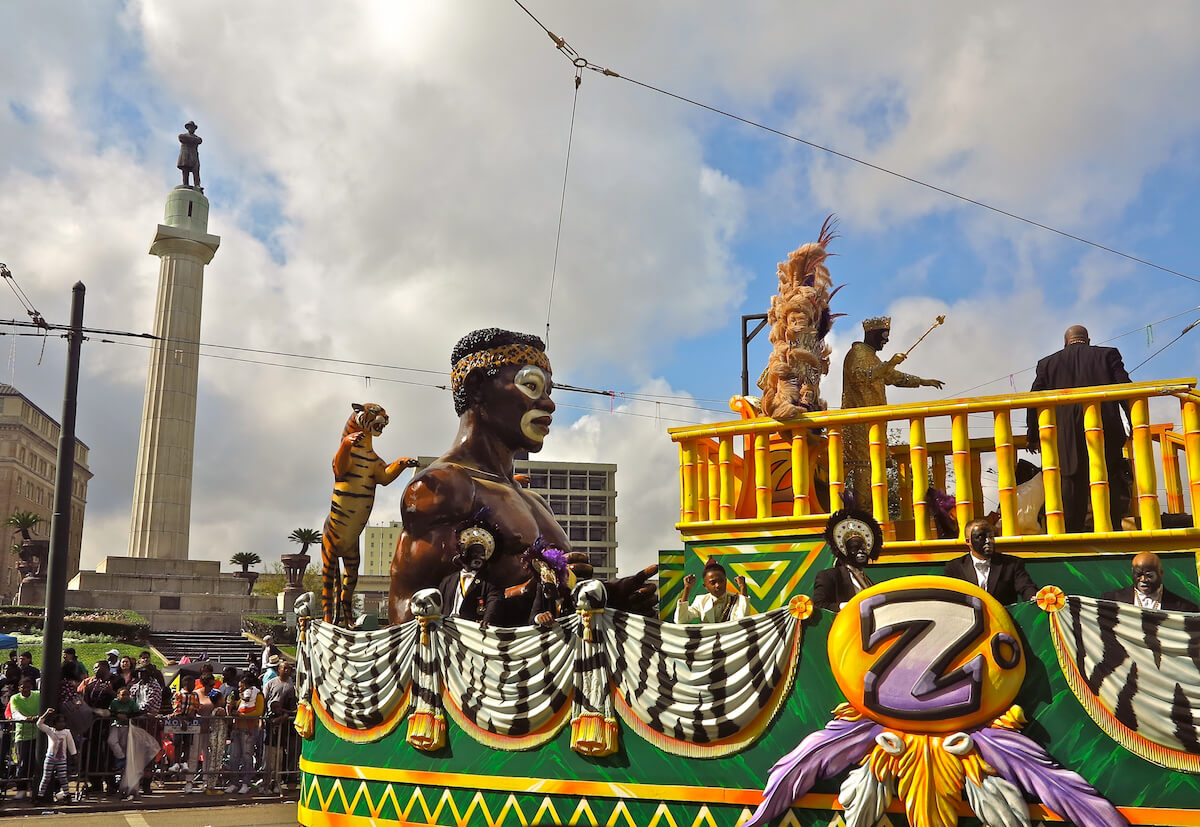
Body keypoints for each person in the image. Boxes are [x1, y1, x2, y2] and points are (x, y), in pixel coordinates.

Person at [388, 328, 657, 625]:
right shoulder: (442, 488)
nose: (549, 404)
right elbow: (408, 604)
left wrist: (606, 596)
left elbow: (555, 598)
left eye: (548, 392)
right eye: (531, 386)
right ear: (477, 387)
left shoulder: (534, 501)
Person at [1026, 325, 1132, 533]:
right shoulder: (1107, 355)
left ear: (1065, 342)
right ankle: (1112, 533)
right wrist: (1134, 422)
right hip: (1105, 433)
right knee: (1109, 480)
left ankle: (1071, 536)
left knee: (1070, 487)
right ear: (1088, 340)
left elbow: (1033, 400)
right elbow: (1126, 389)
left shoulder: (1048, 364)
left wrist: (1033, 435)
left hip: (1065, 438)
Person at [841, 316, 944, 509]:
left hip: (874, 424)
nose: (886, 340)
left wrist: (922, 381)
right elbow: (861, 377)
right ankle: (864, 514)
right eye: (884, 335)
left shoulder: (871, 356)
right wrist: (890, 363)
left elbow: (891, 377)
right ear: (871, 334)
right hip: (859, 423)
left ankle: (873, 511)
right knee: (864, 466)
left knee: (874, 468)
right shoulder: (857, 353)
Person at [943, 518, 1038, 604]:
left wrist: (1034, 597)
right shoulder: (954, 567)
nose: (989, 541)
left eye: (991, 536)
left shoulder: (1011, 564)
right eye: (981, 537)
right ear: (968, 541)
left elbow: (1026, 587)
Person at [813, 508, 882, 612]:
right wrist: (844, 607)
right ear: (845, 550)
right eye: (855, 547)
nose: (861, 552)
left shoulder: (866, 580)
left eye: (864, 548)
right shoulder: (829, 576)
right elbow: (819, 605)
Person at [438, 533, 502, 626]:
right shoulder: (448, 581)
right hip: (447, 629)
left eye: (482, 554)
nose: (478, 558)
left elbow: (494, 600)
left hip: (470, 631)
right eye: (474, 553)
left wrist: (487, 620)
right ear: (464, 554)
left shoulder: (489, 581)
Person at [1101, 552, 1199, 612]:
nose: (1143, 579)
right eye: (1138, 575)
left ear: (1161, 573)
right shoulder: (1110, 602)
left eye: (1149, 576)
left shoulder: (1185, 609)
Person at [675, 558, 749, 623]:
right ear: (705, 586)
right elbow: (681, 620)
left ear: (726, 581)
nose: (718, 585)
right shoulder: (701, 601)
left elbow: (743, 619)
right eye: (713, 583)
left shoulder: (736, 599)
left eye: (721, 581)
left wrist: (743, 587)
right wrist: (687, 589)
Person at [263, 662, 297, 792]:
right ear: (279, 669)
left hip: (287, 723)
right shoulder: (271, 683)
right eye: (285, 668)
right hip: (272, 720)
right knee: (269, 756)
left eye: (289, 668)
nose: (287, 670)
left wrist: (285, 714)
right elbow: (265, 699)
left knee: (281, 755)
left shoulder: (292, 684)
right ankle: (267, 783)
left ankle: (281, 781)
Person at [226, 675, 263, 794]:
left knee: (247, 757)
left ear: (247, 685)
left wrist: (241, 716)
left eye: (241, 687)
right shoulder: (243, 697)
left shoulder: (258, 695)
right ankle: (234, 782)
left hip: (249, 730)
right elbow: (238, 706)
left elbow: (258, 712)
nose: (239, 689)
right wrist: (231, 705)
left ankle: (246, 783)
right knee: (234, 757)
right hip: (237, 729)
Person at [7, 677, 40, 799]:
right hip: (22, 735)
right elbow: (15, 713)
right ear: (19, 688)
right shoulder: (14, 698)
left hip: (38, 734)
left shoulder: (38, 695)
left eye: (27, 687)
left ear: (31, 687)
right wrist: (26, 719)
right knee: (23, 763)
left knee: (37, 763)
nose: (25, 689)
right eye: (22, 687)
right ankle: (21, 789)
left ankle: (34, 788)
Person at [36, 708, 76, 802]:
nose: (61, 724)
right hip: (50, 757)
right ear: (54, 724)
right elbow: (39, 724)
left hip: (61, 758)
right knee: (46, 777)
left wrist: (74, 754)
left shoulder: (66, 732)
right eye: (59, 722)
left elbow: (71, 744)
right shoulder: (51, 731)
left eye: (63, 722)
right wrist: (46, 714)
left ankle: (67, 795)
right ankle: (40, 796)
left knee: (63, 777)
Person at [169, 673, 201, 793]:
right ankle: (176, 762)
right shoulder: (178, 694)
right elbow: (176, 708)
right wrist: (181, 720)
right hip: (179, 721)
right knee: (178, 742)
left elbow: (196, 707)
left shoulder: (195, 695)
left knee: (188, 742)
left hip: (190, 720)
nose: (193, 685)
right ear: (185, 684)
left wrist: (191, 716)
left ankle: (185, 762)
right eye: (191, 683)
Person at [177, 121, 202, 188]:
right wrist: (192, 140)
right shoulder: (183, 136)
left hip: (194, 157)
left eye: (193, 128)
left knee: (196, 172)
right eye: (190, 127)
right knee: (185, 171)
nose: (192, 129)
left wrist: (189, 140)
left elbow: (199, 141)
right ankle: (186, 184)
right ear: (188, 128)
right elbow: (181, 137)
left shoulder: (197, 138)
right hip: (186, 156)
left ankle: (197, 186)